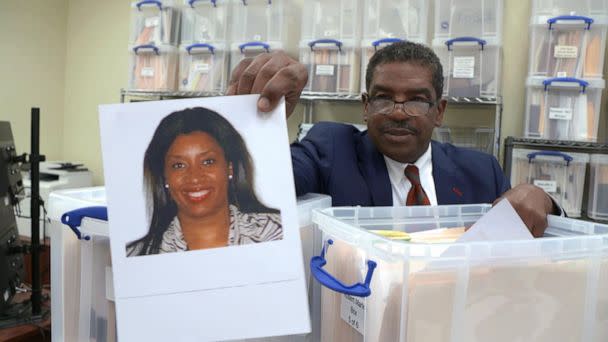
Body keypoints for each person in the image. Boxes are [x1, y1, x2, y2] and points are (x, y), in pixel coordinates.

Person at [226, 41, 561, 238]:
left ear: (439, 110)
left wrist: (540, 197)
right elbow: (262, 184)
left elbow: (524, 228)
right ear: (366, 106)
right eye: (384, 97)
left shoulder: (481, 171)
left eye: (416, 99)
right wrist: (258, 122)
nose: (399, 113)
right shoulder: (331, 149)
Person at [127, 107, 283, 256]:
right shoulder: (136, 256)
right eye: (179, 165)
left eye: (208, 162)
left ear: (229, 168)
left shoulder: (278, 233)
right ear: (165, 176)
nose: (194, 177)